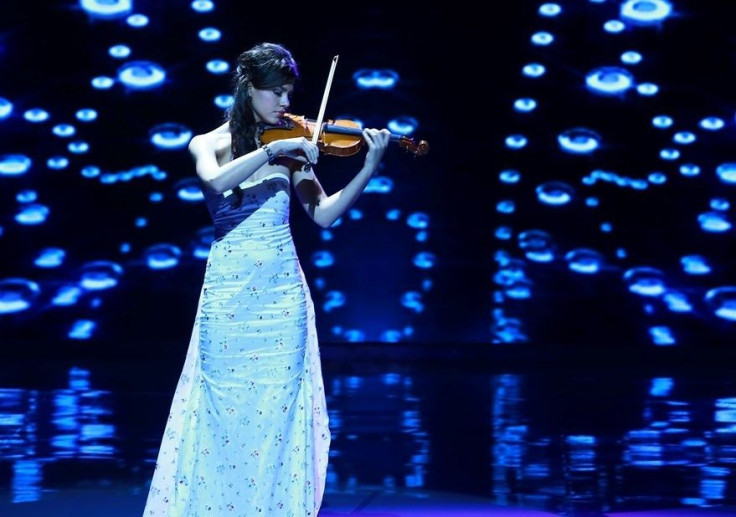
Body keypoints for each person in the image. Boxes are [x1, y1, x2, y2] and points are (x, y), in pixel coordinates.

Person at [142, 42, 391, 516]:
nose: (285, 104)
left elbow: (323, 215)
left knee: (278, 414)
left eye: (288, 94)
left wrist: (368, 168)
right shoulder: (209, 143)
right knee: (219, 407)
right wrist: (272, 149)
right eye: (274, 93)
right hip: (228, 294)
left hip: (281, 297)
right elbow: (215, 182)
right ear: (247, 89)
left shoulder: (293, 147)